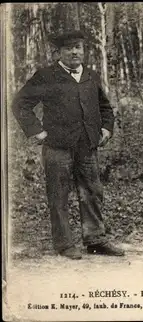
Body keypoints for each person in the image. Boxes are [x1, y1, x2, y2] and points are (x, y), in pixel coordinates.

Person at [11, 30, 125, 260]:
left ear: (84, 51)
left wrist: (106, 128)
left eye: (78, 47)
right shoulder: (46, 76)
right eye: (68, 48)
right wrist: (37, 132)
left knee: (92, 193)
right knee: (59, 195)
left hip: (87, 146)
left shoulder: (91, 76)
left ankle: (95, 240)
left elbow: (104, 106)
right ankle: (64, 244)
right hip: (57, 147)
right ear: (58, 53)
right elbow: (20, 104)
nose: (74, 52)